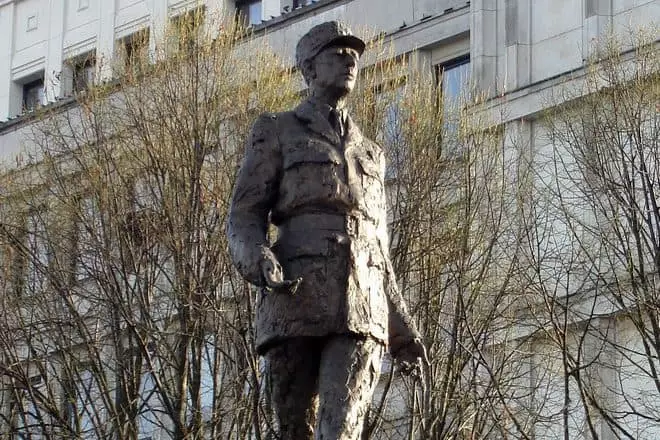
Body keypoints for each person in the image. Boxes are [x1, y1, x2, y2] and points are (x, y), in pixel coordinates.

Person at [226, 20, 427, 440]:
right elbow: (244, 213)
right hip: (295, 295)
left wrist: (401, 327)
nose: (349, 59)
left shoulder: (373, 154)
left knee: (341, 430)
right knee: (292, 429)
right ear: (309, 68)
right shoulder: (277, 129)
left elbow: (380, 248)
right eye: (336, 52)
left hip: (361, 304)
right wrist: (257, 259)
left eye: (353, 53)